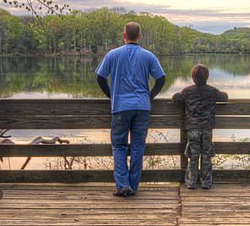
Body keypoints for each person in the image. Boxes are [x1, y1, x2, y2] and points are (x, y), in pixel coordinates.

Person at [95, 22, 165, 197]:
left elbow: (100, 78)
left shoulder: (113, 55)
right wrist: (149, 96)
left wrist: (112, 96)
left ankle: (122, 185)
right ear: (139, 36)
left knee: (118, 146)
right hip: (142, 107)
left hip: (120, 107)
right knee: (137, 147)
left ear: (124, 35)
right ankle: (133, 186)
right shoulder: (148, 56)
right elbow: (161, 79)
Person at [171, 64, 228, 190]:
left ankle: (191, 182)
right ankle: (206, 182)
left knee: (193, 155)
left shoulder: (187, 91)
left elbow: (175, 98)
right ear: (207, 77)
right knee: (206, 155)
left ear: (193, 77)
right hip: (207, 128)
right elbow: (225, 97)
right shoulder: (212, 91)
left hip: (192, 128)